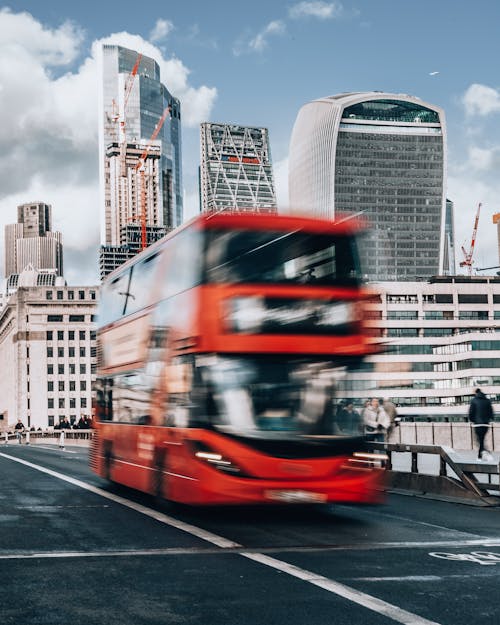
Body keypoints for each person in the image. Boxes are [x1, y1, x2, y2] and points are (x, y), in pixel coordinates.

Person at [468, 388, 494, 461]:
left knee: (478, 440)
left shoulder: (474, 400)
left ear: (476, 393)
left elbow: (471, 412)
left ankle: (486, 453)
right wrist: (489, 419)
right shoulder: (487, 400)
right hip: (486, 424)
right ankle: (480, 456)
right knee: (481, 439)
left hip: (477, 424)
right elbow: (491, 412)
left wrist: (472, 420)